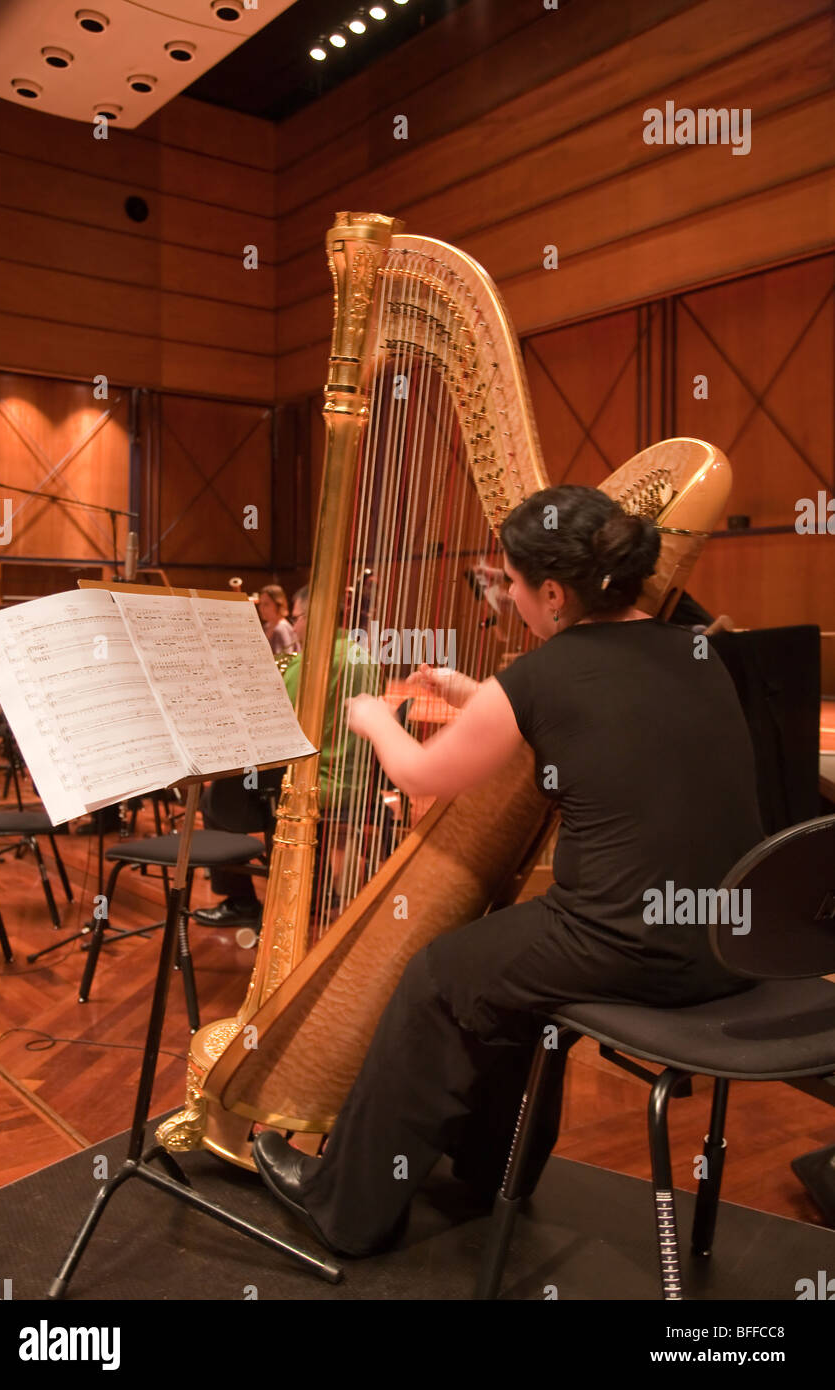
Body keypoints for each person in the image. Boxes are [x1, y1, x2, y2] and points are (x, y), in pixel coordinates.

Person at [251, 483, 765, 1257]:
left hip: (629, 946)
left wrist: (370, 718)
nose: (514, 599)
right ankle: (492, 1170)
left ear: (554, 592)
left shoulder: (546, 674)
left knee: (438, 976)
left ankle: (343, 1209)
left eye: (517, 587)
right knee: (508, 980)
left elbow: (421, 775)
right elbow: (584, 713)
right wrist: (477, 694)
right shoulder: (696, 650)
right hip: (736, 941)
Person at [193, 585, 377, 927]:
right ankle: (316, 889)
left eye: (297, 617)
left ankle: (242, 901)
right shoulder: (362, 655)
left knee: (215, 797)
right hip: (361, 782)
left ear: (315, 617)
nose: (295, 626)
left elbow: (276, 727)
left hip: (317, 784)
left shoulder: (311, 664)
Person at [258, 584, 298, 655]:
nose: (261, 608)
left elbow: (286, 658)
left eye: (266, 604)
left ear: (278, 605)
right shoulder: (267, 626)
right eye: (260, 604)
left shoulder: (281, 628)